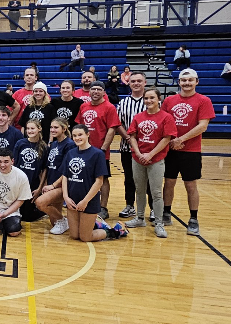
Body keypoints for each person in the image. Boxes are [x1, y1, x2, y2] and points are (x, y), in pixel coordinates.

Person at [162, 69, 215, 236]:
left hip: (191, 151)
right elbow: (163, 122)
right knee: (168, 182)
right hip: (170, 149)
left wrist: (180, 140)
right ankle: (166, 213)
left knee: (190, 185)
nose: (186, 83)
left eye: (190, 80)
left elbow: (203, 126)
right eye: (183, 80)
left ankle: (193, 219)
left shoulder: (203, 100)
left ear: (196, 82)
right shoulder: (169, 100)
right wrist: (171, 141)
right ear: (179, 82)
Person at [125, 88, 177, 238]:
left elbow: (166, 139)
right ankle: (140, 218)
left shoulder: (166, 117)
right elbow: (132, 136)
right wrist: (139, 153)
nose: (148, 101)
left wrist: (151, 154)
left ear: (159, 99)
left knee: (156, 192)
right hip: (138, 159)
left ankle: (159, 223)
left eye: (152, 98)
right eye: (146, 98)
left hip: (156, 159)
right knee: (139, 190)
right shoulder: (138, 117)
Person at [62, 125, 127, 242]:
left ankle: (115, 231)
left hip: (88, 200)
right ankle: (96, 223)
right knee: (74, 235)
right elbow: (65, 176)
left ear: (88, 134)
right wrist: (65, 197)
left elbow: (99, 181)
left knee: (85, 237)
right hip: (72, 199)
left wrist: (85, 201)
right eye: (75, 136)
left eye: (80, 135)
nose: (77, 138)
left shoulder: (97, 154)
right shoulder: (70, 153)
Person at [75, 81, 120, 220]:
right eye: (93, 89)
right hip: (84, 150)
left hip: (100, 151)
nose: (95, 91)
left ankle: (103, 207)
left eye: (98, 89)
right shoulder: (83, 106)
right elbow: (79, 126)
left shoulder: (109, 107)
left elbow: (112, 129)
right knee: (83, 176)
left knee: (103, 179)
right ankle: (83, 202)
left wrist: (103, 149)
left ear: (103, 92)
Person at [115, 71, 150, 220]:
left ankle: (153, 209)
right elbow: (117, 123)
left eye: (139, 81)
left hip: (149, 149)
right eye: (133, 81)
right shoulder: (123, 103)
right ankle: (130, 205)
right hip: (126, 147)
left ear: (144, 83)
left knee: (149, 179)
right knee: (129, 178)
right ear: (129, 83)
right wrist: (128, 138)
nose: (136, 83)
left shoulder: (151, 101)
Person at [0, 147, 32, 238]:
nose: (2, 165)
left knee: (13, 232)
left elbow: (21, 199)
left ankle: (6, 222)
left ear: (12, 161)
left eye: (6, 162)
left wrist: (4, 214)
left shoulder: (21, 176)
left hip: (10, 211)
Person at [35, 118, 76, 234]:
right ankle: (67, 221)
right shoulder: (53, 144)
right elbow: (49, 167)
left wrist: (53, 186)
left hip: (62, 185)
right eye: (51, 127)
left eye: (56, 127)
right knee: (54, 223)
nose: (52, 130)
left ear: (64, 129)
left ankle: (64, 220)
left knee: (40, 203)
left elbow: (67, 171)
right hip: (52, 183)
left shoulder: (69, 145)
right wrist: (45, 183)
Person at [13, 119, 48, 221]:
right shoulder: (20, 143)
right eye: (28, 128)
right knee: (18, 214)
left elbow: (44, 170)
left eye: (32, 128)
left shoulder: (44, 147)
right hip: (18, 183)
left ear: (39, 129)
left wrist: (40, 189)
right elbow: (14, 164)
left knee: (27, 217)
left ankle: (42, 211)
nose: (29, 131)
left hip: (33, 184)